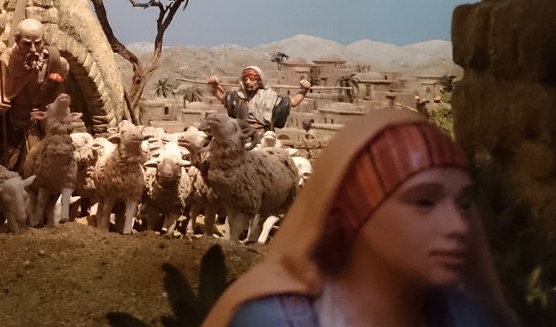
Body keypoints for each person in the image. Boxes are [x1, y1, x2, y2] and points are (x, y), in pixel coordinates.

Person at [201, 109, 519, 327]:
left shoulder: (466, 318)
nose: (459, 226)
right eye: (423, 202)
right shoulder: (272, 321)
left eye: (464, 204)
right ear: (358, 209)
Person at [0, 18, 70, 172]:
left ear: (43, 40)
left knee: (40, 168)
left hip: (39, 125)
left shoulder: (53, 61)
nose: (33, 49)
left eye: (37, 43)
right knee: (9, 170)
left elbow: (60, 79)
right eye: (26, 44)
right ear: (17, 41)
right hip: (13, 127)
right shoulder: (7, 61)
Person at [207, 66, 311, 133]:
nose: (248, 82)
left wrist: (304, 90)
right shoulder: (238, 96)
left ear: (259, 81)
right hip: (241, 135)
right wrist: (215, 85)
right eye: (245, 79)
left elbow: (293, 102)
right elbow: (222, 96)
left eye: (252, 79)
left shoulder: (270, 97)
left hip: (263, 135)